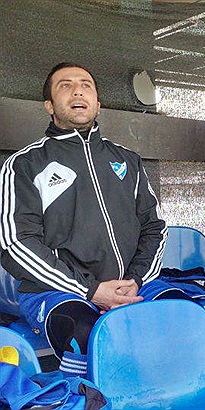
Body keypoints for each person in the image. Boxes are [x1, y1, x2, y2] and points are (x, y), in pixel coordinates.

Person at [0, 62, 187, 377]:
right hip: (57, 291)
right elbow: (16, 242)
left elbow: (154, 227)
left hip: (131, 284)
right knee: (87, 335)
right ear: (49, 106)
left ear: (98, 104)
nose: (77, 91)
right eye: (65, 85)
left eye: (85, 85)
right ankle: (91, 396)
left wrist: (135, 281)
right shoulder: (24, 165)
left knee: (184, 317)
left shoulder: (127, 160)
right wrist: (90, 290)